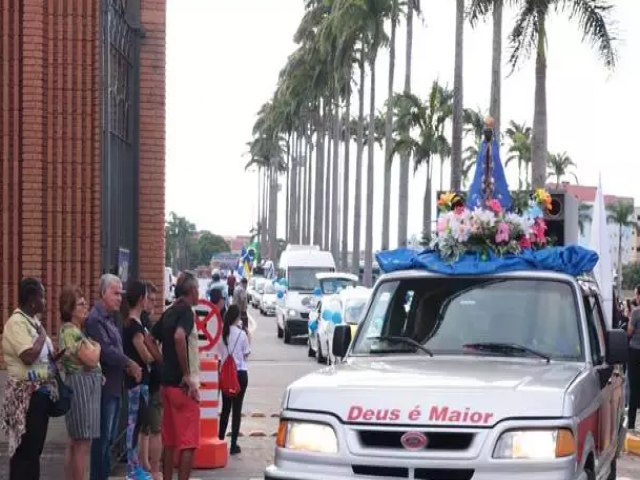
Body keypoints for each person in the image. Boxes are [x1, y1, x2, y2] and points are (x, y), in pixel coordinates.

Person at [1, 278, 60, 480]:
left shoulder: (33, 322)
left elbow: (44, 356)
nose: (45, 301)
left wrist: (56, 357)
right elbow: (28, 356)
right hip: (24, 397)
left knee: (34, 453)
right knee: (24, 453)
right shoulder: (16, 323)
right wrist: (42, 336)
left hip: (39, 394)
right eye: (42, 296)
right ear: (32, 299)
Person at [86, 274, 142, 480]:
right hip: (104, 388)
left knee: (108, 440)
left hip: (116, 386)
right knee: (101, 440)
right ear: (103, 293)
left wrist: (126, 364)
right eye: (115, 293)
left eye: (121, 294)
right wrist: (129, 363)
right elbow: (107, 352)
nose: (120, 298)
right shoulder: (95, 319)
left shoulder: (112, 318)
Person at [152, 272, 200, 480]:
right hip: (183, 387)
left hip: (167, 386)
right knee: (188, 442)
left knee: (169, 441)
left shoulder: (169, 312)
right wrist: (187, 374)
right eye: (197, 289)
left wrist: (163, 363)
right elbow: (180, 337)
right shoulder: (186, 312)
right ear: (191, 291)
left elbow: (148, 338)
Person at [59, 286, 102, 480]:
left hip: (86, 385)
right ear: (70, 308)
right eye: (81, 304)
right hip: (81, 387)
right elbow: (91, 359)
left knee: (76, 441)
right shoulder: (70, 332)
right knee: (82, 443)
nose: (86, 307)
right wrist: (97, 347)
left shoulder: (77, 331)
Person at [122, 281, 156, 480]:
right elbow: (146, 356)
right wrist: (155, 354)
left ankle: (135, 468)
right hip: (136, 381)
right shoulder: (134, 325)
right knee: (133, 425)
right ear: (141, 299)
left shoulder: (136, 322)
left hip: (141, 381)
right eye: (146, 296)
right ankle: (132, 469)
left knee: (137, 423)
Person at [218, 305, 250, 455]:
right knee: (237, 410)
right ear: (238, 317)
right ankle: (233, 445)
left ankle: (219, 439)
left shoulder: (222, 333)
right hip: (240, 374)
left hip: (226, 375)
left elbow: (218, 355)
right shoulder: (242, 334)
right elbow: (246, 354)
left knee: (225, 409)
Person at [139, 282, 163, 480]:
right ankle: (153, 469)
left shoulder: (146, 320)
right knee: (154, 428)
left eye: (155, 300)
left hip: (150, 380)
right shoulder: (141, 322)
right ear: (142, 298)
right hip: (148, 380)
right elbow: (148, 353)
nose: (153, 304)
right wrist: (159, 357)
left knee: (145, 427)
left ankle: (145, 463)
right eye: (150, 300)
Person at [627, 285, 640, 431]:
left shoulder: (636, 312)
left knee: (633, 386)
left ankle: (631, 424)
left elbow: (629, 332)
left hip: (635, 351)